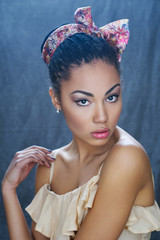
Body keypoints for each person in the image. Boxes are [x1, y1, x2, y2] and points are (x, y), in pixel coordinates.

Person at [2, 6, 160, 240]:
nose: (102, 116)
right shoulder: (49, 167)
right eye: (84, 101)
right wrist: (8, 190)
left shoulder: (127, 158)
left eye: (111, 97)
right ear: (56, 99)